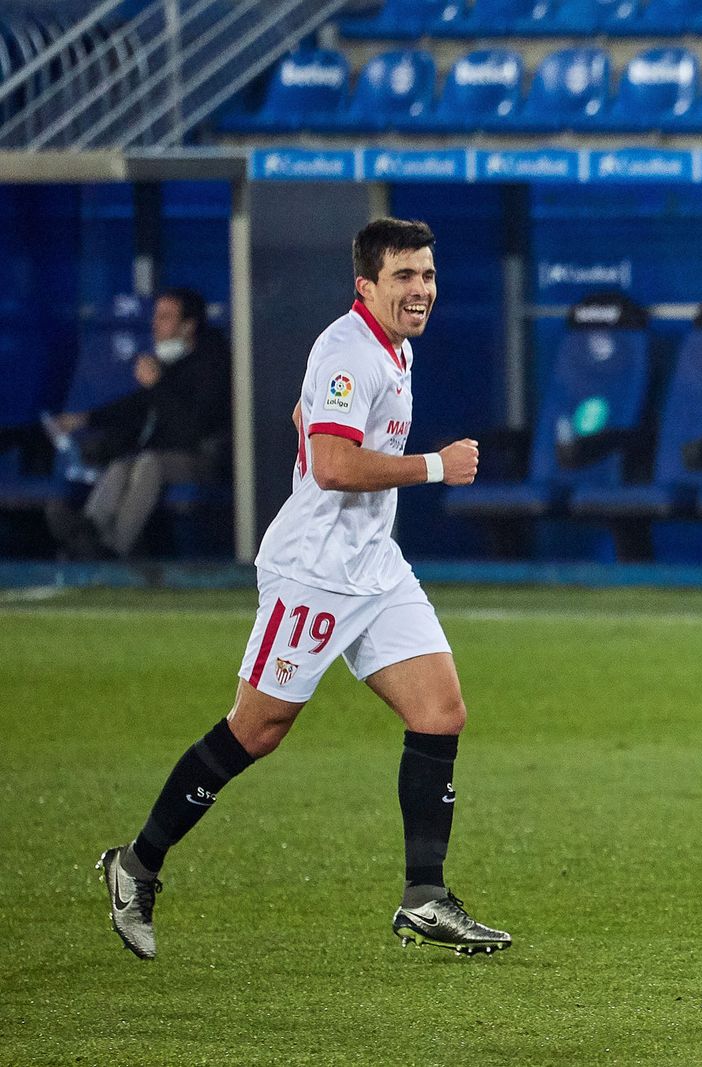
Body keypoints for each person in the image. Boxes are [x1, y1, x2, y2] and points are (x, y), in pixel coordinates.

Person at [96, 218, 512, 959]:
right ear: (366, 286)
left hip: (372, 562)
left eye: (426, 275)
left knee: (441, 711)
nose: (420, 290)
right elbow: (330, 464)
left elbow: (310, 419)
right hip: (314, 573)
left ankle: (424, 895)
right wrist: (437, 466)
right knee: (257, 728)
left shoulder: (391, 347)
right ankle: (136, 864)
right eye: (404, 278)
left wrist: (324, 424)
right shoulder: (347, 348)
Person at [46, 288, 231, 559]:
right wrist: (85, 418)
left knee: (148, 464)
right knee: (122, 464)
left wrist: (158, 385)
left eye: (165, 317)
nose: (155, 325)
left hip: (202, 458)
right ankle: (89, 532)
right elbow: (134, 406)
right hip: (161, 454)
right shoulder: (169, 363)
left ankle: (113, 549)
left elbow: (192, 429)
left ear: (189, 325)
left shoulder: (213, 365)